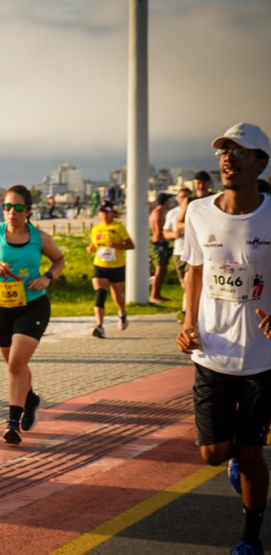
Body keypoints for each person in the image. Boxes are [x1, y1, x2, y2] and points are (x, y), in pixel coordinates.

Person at [177, 122, 271, 555]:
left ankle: (250, 538)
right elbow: (195, 271)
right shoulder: (198, 212)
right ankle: (232, 457)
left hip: (262, 358)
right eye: (223, 151)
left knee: (252, 454)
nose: (228, 158)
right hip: (212, 351)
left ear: (261, 164)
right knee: (213, 453)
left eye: (239, 151)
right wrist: (187, 323)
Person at [0, 185, 65, 446]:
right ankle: (31, 399)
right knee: (15, 365)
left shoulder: (39, 237)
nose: (11, 212)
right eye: (7, 207)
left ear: (28, 211)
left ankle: (12, 423)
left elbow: (59, 260)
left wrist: (48, 277)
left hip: (33, 305)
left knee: (16, 363)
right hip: (1, 307)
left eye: (17, 207)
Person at [86, 200, 135, 338]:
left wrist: (116, 246)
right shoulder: (96, 229)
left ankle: (122, 313)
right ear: (99, 213)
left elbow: (131, 245)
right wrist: (90, 248)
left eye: (108, 212)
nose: (105, 215)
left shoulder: (119, 227)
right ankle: (99, 326)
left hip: (116, 266)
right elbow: (94, 244)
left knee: (117, 296)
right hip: (100, 266)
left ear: (112, 213)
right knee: (100, 293)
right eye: (102, 212)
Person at [163, 188, 192, 323]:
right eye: (181, 197)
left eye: (187, 197)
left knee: (189, 282)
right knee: (184, 285)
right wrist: (174, 234)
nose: (184, 200)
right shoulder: (172, 213)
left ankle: (186, 312)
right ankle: (190, 309)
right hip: (179, 252)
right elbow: (165, 232)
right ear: (177, 199)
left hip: (193, 252)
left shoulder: (195, 211)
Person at [149, 192, 172, 303]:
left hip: (161, 242)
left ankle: (157, 294)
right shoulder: (158, 213)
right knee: (160, 270)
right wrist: (170, 235)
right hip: (159, 243)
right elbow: (158, 232)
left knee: (163, 269)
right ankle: (154, 295)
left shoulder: (159, 212)